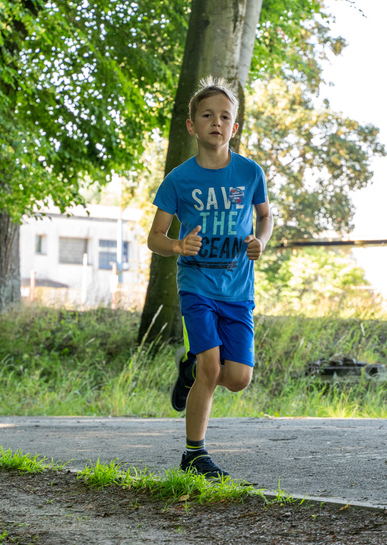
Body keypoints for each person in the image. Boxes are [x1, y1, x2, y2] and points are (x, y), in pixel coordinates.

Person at [147, 76, 273, 479]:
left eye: (224, 117)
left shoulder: (250, 173)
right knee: (213, 368)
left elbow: (265, 217)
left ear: (234, 128)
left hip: (237, 288)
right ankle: (194, 454)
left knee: (238, 378)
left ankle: (189, 369)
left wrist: (261, 241)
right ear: (192, 125)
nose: (216, 122)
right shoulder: (178, 180)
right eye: (207, 115)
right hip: (196, 286)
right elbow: (155, 237)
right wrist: (178, 247)